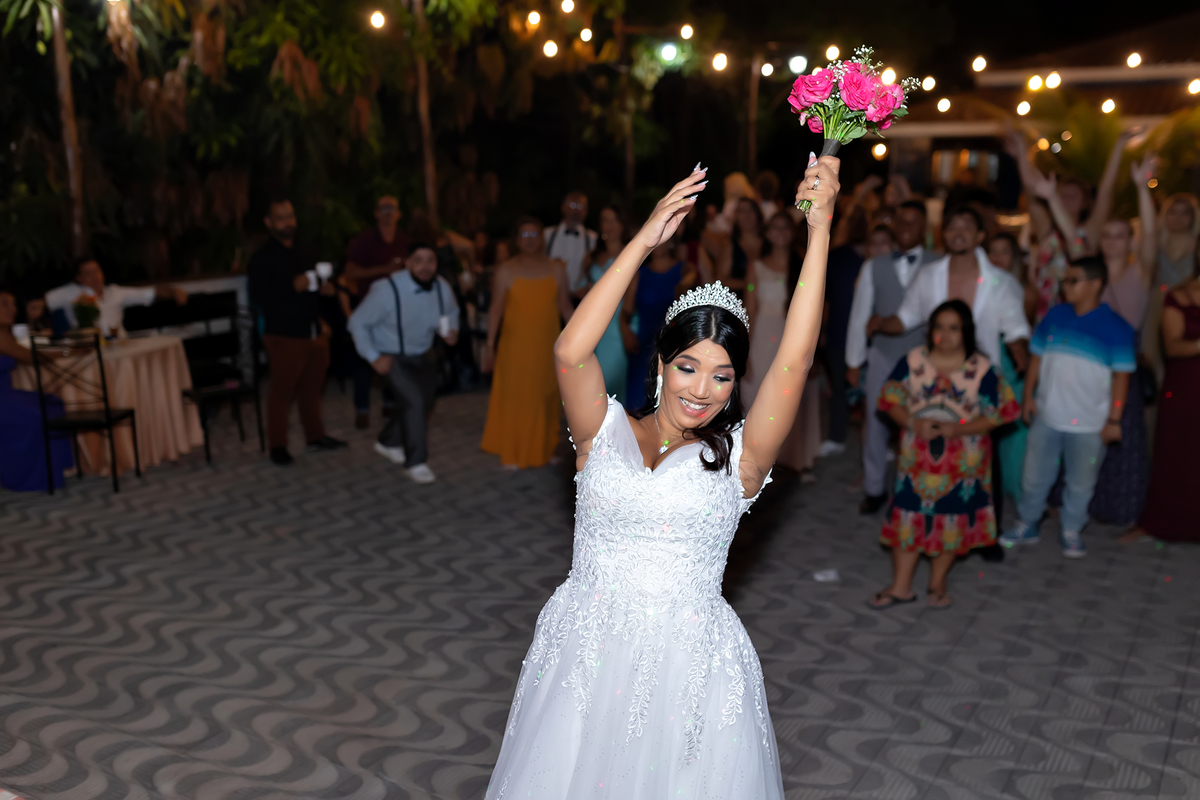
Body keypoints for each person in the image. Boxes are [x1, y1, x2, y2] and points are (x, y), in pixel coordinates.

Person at [484, 155, 840, 800]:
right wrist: (644, 241)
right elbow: (569, 350)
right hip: (584, 653)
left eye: (722, 375)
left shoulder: (741, 460)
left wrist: (819, 231)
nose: (703, 390)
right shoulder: (602, 431)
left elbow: (795, 360)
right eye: (688, 367)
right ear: (660, 363)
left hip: (690, 670)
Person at [869, 301, 1019, 610]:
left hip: (962, 467)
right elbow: (888, 399)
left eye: (954, 328)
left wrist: (959, 429)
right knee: (907, 518)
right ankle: (900, 586)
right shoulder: (913, 361)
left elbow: (1003, 412)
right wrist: (913, 423)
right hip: (916, 462)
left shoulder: (982, 369)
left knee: (950, 521)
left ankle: (937, 582)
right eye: (939, 327)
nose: (945, 334)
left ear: (966, 332)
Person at [1000, 257, 1136, 558]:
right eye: (1065, 280)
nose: (1065, 287)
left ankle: (1071, 529)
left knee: (1081, 482)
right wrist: (1028, 397)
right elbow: (1036, 358)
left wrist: (1114, 419)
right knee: (1033, 476)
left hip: (1090, 423)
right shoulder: (1055, 315)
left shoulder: (1116, 327)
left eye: (1073, 281)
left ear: (1095, 284)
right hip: (1047, 416)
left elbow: (1122, 379)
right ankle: (1028, 523)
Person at [846, 200, 939, 513]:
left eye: (914, 221)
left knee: (921, 423)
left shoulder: (940, 263)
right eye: (902, 221)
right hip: (883, 355)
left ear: (924, 228)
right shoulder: (875, 265)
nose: (906, 227)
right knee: (875, 422)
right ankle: (874, 488)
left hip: (926, 360)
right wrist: (854, 362)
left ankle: (917, 487)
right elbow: (860, 315)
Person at [346, 242, 458, 484]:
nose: (425, 267)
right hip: (391, 355)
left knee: (424, 403)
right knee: (415, 402)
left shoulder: (442, 287)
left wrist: (452, 330)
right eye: (418, 260)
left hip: (424, 352)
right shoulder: (388, 290)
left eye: (430, 260)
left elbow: (452, 312)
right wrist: (373, 357)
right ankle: (416, 462)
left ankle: (388, 441)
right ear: (407, 263)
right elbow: (357, 323)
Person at [247, 198, 347, 466]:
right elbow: (259, 297)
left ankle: (315, 437)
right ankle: (277, 446)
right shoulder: (262, 258)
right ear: (269, 223)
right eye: (280, 218)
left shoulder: (305, 251)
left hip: (312, 330)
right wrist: (292, 286)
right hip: (284, 333)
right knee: (282, 391)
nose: (287, 222)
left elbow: (314, 291)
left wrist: (325, 293)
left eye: (290, 216)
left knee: (312, 388)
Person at [1085, 156, 1157, 527]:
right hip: (1088, 368)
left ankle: (1125, 511)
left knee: (1124, 441)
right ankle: (1087, 506)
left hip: (1123, 371)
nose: (1113, 241)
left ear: (1130, 241)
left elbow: (1152, 237)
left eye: (1120, 235)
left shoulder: (1138, 273)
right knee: (1086, 439)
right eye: (1107, 235)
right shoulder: (1089, 277)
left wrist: (1142, 187)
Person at [480, 217, 575, 469]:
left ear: (542, 238)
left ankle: (545, 448)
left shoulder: (557, 269)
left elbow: (565, 307)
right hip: (515, 349)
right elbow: (495, 310)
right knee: (517, 398)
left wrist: (583, 338)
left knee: (547, 396)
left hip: (547, 346)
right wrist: (489, 345)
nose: (530, 240)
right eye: (524, 235)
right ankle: (514, 451)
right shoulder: (506, 270)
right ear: (516, 240)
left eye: (534, 234)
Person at [1125, 256, 1200, 544]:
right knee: (1178, 452)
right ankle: (1163, 522)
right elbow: (1173, 345)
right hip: (1186, 388)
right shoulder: (1179, 295)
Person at [744, 212, 819, 478]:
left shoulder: (804, 264)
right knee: (756, 395)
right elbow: (750, 309)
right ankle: (755, 462)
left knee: (790, 397)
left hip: (792, 336)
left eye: (785, 227)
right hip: (762, 337)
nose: (780, 232)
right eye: (774, 227)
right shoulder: (756, 266)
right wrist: (745, 351)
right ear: (766, 233)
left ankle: (792, 461)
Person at [0, 288, 75, 492]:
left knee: (53, 405)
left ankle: (55, 468)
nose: (13, 309)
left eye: (13, 304)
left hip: (6, 394)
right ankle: (27, 477)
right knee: (38, 414)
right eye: (4, 304)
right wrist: (69, 352)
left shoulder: (5, 332)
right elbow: (33, 358)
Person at [344, 195, 410, 429]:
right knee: (365, 360)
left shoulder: (404, 241)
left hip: (396, 309)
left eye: (392, 208)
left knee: (393, 355)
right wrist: (384, 269)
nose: (388, 212)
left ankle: (390, 402)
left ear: (398, 214)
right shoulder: (364, 241)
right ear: (376, 213)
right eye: (384, 208)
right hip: (369, 308)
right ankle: (362, 409)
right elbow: (350, 273)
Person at [624, 239, 695, 408]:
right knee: (638, 401)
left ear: (670, 241)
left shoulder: (684, 269)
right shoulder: (640, 274)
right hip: (643, 346)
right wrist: (625, 331)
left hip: (672, 344)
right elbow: (625, 311)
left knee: (668, 401)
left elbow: (689, 292)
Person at [45, 257, 188, 336]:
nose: (95, 277)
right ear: (79, 278)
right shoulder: (70, 292)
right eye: (89, 273)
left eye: (97, 271)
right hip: (89, 352)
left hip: (119, 346)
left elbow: (149, 293)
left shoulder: (115, 291)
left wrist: (173, 291)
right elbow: (43, 302)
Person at [579, 205, 635, 403]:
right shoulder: (591, 257)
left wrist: (625, 322)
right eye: (604, 219)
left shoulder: (631, 253)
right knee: (592, 384)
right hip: (592, 327)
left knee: (612, 384)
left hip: (618, 325)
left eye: (614, 220)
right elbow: (583, 291)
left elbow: (632, 294)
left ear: (622, 224)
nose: (608, 225)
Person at [545, 191, 597, 295]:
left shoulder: (593, 239)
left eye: (580, 206)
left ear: (586, 211)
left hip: (581, 297)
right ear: (563, 207)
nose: (576, 210)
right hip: (550, 294)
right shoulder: (547, 235)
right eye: (572, 205)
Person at [717, 197, 763, 294]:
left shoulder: (770, 242)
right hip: (740, 298)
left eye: (750, 210)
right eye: (742, 211)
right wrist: (750, 285)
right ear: (736, 217)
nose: (747, 215)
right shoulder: (730, 246)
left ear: (758, 214)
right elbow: (721, 281)